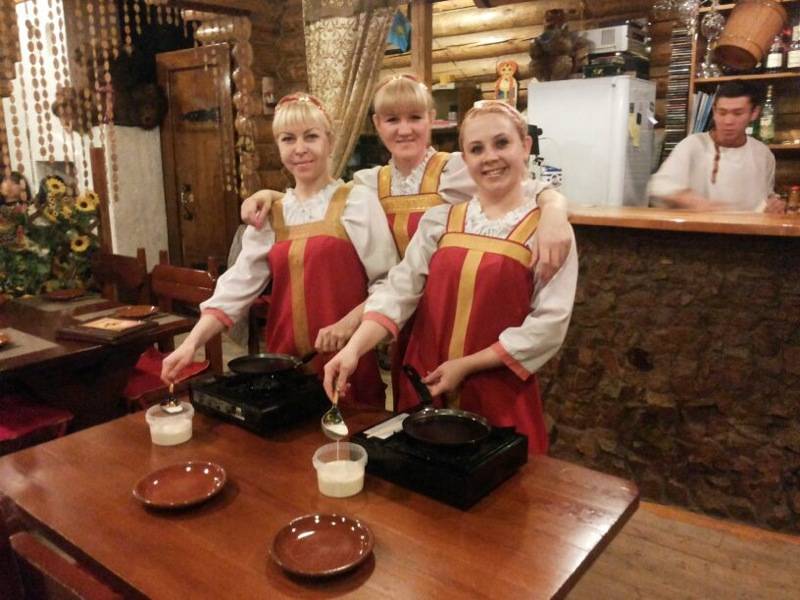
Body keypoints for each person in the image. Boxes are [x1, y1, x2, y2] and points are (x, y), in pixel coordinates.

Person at [323, 101, 579, 454]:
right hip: (425, 387)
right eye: (476, 149)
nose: (490, 157)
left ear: (525, 146)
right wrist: (353, 350)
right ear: (465, 159)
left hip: (498, 394)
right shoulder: (440, 221)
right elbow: (399, 291)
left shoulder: (548, 232)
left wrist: (466, 366)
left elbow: (548, 326)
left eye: (501, 143)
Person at [161, 93, 397, 408]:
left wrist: (349, 323)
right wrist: (191, 344)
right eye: (288, 139)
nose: (299, 148)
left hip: (348, 361)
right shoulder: (272, 214)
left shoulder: (357, 201)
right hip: (283, 368)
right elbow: (236, 287)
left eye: (310, 136)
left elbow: (389, 283)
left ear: (330, 141)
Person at [647, 80, 784, 212]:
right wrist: (689, 199)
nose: (728, 121)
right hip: (703, 227)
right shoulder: (693, 145)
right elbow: (658, 186)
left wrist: (773, 205)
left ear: (754, 113)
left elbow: (766, 197)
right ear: (714, 111)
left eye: (738, 113)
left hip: (748, 227)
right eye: (722, 113)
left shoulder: (763, 154)